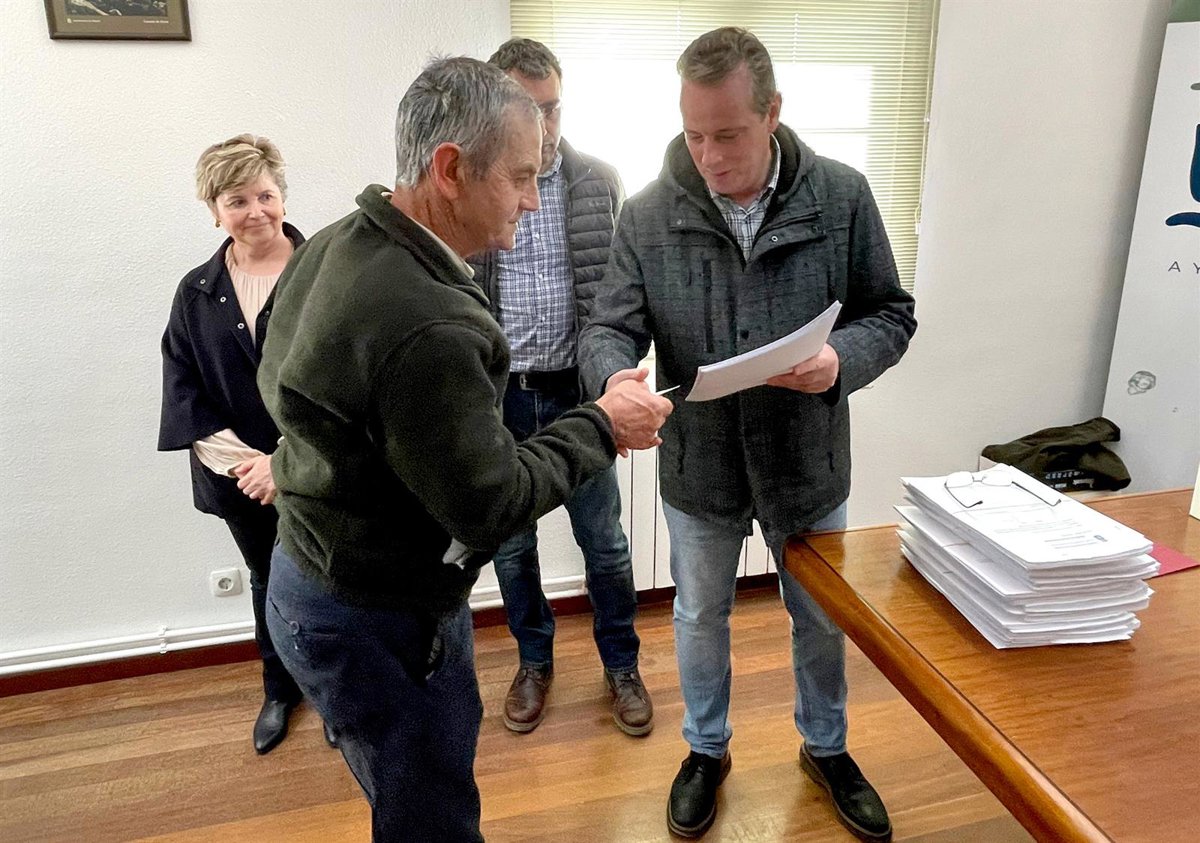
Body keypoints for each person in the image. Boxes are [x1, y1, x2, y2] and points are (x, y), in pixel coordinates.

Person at [257, 58, 673, 842]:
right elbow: (492, 505)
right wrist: (604, 423)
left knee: (401, 783)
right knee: (430, 816)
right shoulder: (430, 322)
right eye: (519, 176)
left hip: (308, 575)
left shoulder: (337, 241)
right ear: (450, 170)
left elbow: (275, 376)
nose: (531, 198)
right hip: (375, 614)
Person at [578, 28, 917, 842]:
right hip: (701, 465)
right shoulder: (647, 213)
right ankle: (705, 748)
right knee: (700, 616)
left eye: (728, 134)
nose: (710, 156)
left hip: (806, 460)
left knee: (822, 617)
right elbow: (607, 327)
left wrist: (838, 361)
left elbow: (891, 313)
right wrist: (614, 378)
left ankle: (827, 747)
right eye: (694, 135)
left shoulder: (842, 197)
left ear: (772, 113)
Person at [466, 37, 651, 737]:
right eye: (528, 108)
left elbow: (624, 301)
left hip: (579, 397)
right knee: (512, 546)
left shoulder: (600, 181)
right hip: (500, 400)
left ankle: (622, 665)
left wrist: (614, 385)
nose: (545, 125)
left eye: (553, 108)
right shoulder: (475, 186)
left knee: (605, 542)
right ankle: (534, 662)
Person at [157, 134, 336, 755]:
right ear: (215, 211)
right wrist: (252, 468)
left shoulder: (329, 275)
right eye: (237, 200)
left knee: (330, 582)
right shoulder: (196, 293)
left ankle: (335, 694)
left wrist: (287, 464)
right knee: (268, 581)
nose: (256, 211)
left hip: (324, 471)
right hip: (241, 480)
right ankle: (280, 689)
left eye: (265, 195)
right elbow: (183, 392)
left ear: (282, 195)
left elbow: (353, 379)